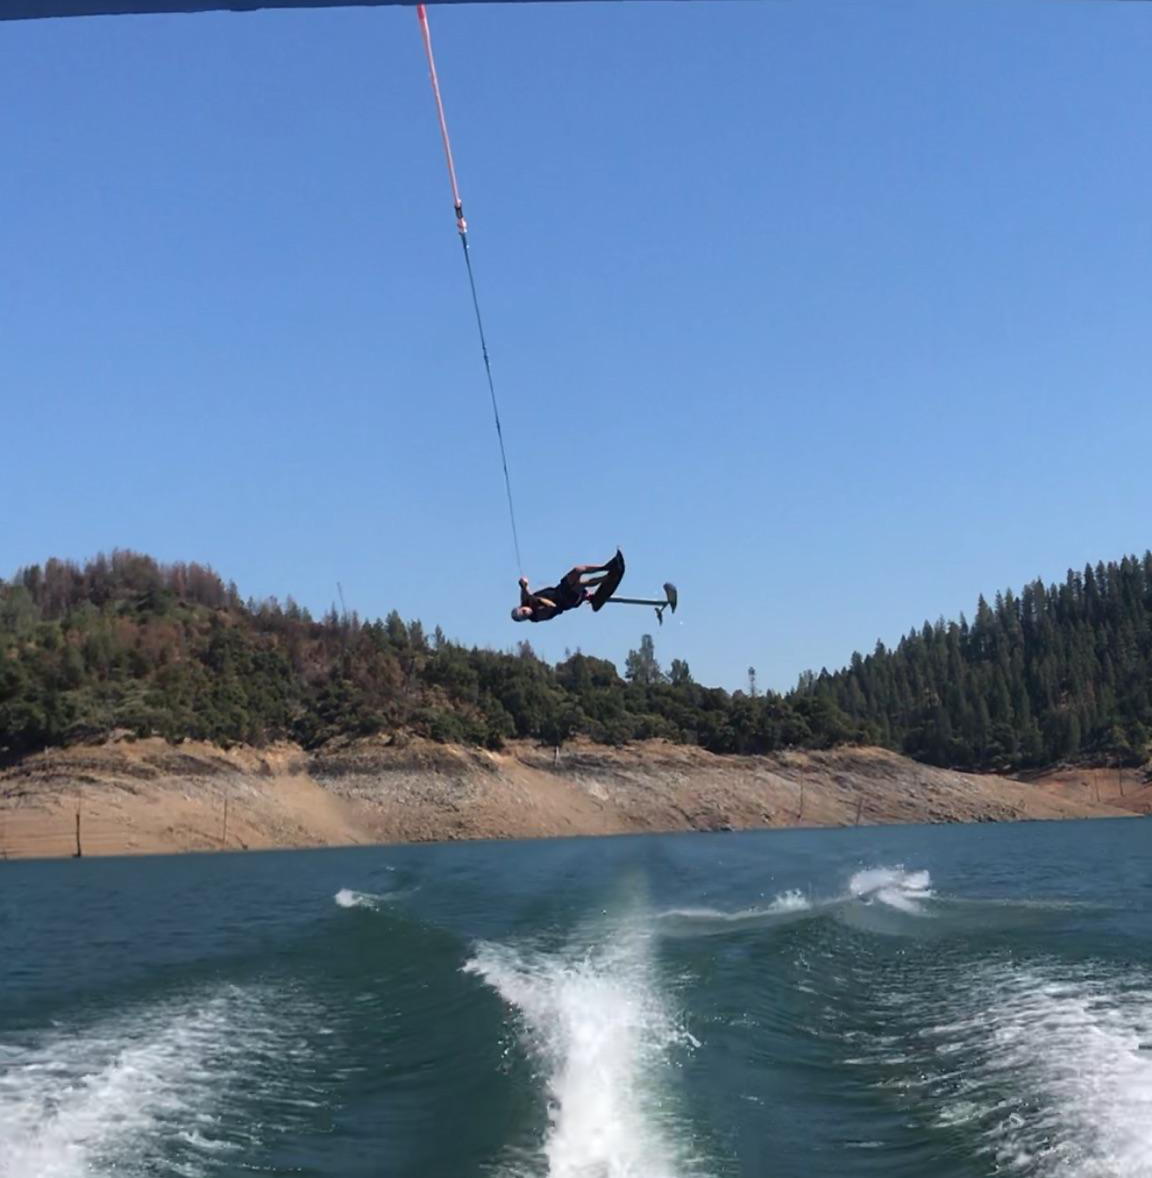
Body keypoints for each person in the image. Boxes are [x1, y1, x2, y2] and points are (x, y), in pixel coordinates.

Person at [511, 560, 615, 623]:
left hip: (559, 589)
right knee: (580, 584)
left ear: (521, 607)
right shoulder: (536, 616)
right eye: (525, 617)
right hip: (566, 601)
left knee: (577, 570)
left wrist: (523, 584)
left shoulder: (525, 602)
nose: (526, 614)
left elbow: (524, 589)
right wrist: (539, 600)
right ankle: (608, 577)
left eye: (523, 612)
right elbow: (553, 606)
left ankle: (607, 567)